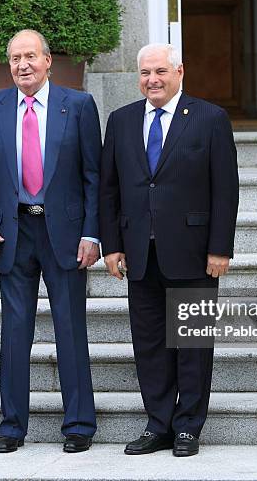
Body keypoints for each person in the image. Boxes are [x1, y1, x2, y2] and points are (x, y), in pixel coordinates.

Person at [99, 43, 239, 457]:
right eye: (145, 73)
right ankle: (158, 423)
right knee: (149, 344)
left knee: (192, 343)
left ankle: (188, 427)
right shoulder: (121, 120)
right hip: (139, 252)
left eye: (160, 71)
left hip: (195, 251)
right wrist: (112, 245)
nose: (152, 80)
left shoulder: (210, 118)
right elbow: (110, 190)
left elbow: (225, 190)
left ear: (179, 71)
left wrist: (220, 248)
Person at [0, 29, 100, 454]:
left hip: (64, 233)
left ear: (47, 62)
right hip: (12, 233)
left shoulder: (77, 105)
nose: (22, 65)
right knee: (15, 331)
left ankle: (79, 424)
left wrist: (92, 233)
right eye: (14, 58)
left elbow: (94, 178)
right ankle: (11, 426)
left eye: (30, 57)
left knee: (70, 329)